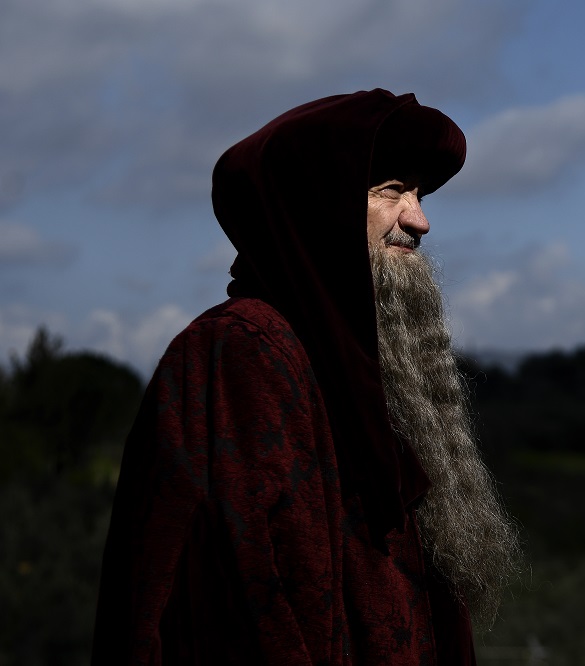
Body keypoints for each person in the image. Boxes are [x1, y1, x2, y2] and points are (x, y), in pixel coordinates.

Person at [92, 89, 521, 665]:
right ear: (318, 207)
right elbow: (242, 617)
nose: (419, 220)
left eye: (417, 194)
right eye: (392, 191)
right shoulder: (242, 352)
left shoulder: (363, 368)